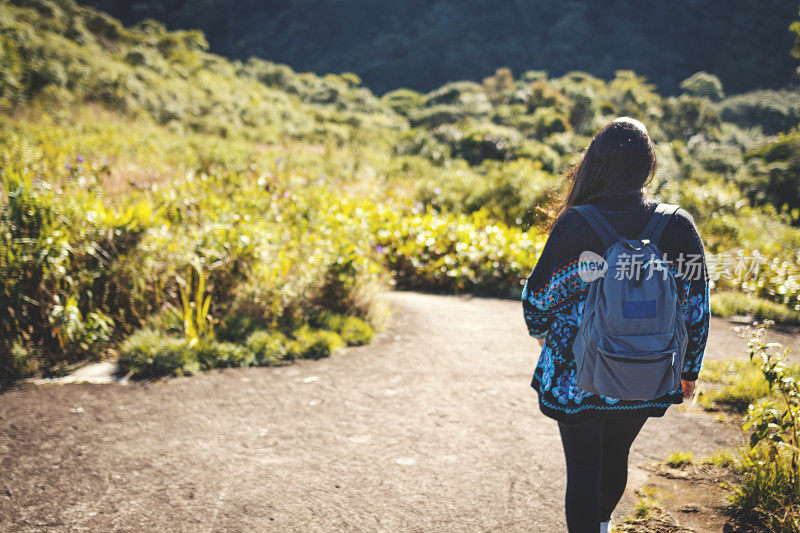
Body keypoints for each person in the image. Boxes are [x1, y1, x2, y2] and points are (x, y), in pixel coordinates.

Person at [521, 117, 710, 533]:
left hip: (578, 372)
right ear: (648, 166)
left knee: (584, 468)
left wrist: (541, 333)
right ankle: (603, 525)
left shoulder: (576, 224)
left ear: (595, 164)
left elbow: (538, 296)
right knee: (615, 456)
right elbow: (697, 307)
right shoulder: (677, 225)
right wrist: (689, 370)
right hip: (649, 367)